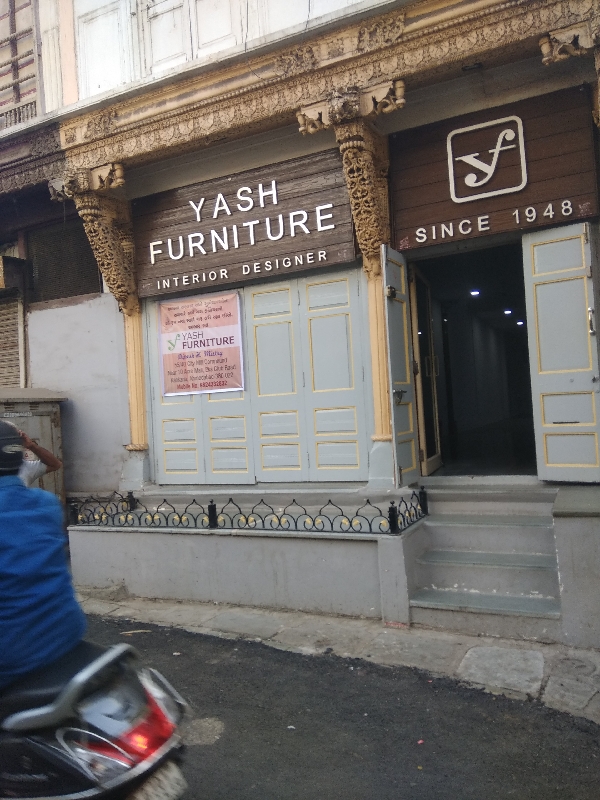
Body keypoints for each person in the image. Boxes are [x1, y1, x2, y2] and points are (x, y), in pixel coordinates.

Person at [0, 420, 86, 689]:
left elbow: (55, 464)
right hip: (67, 630)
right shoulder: (47, 505)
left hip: (14, 652)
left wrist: (32, 445)